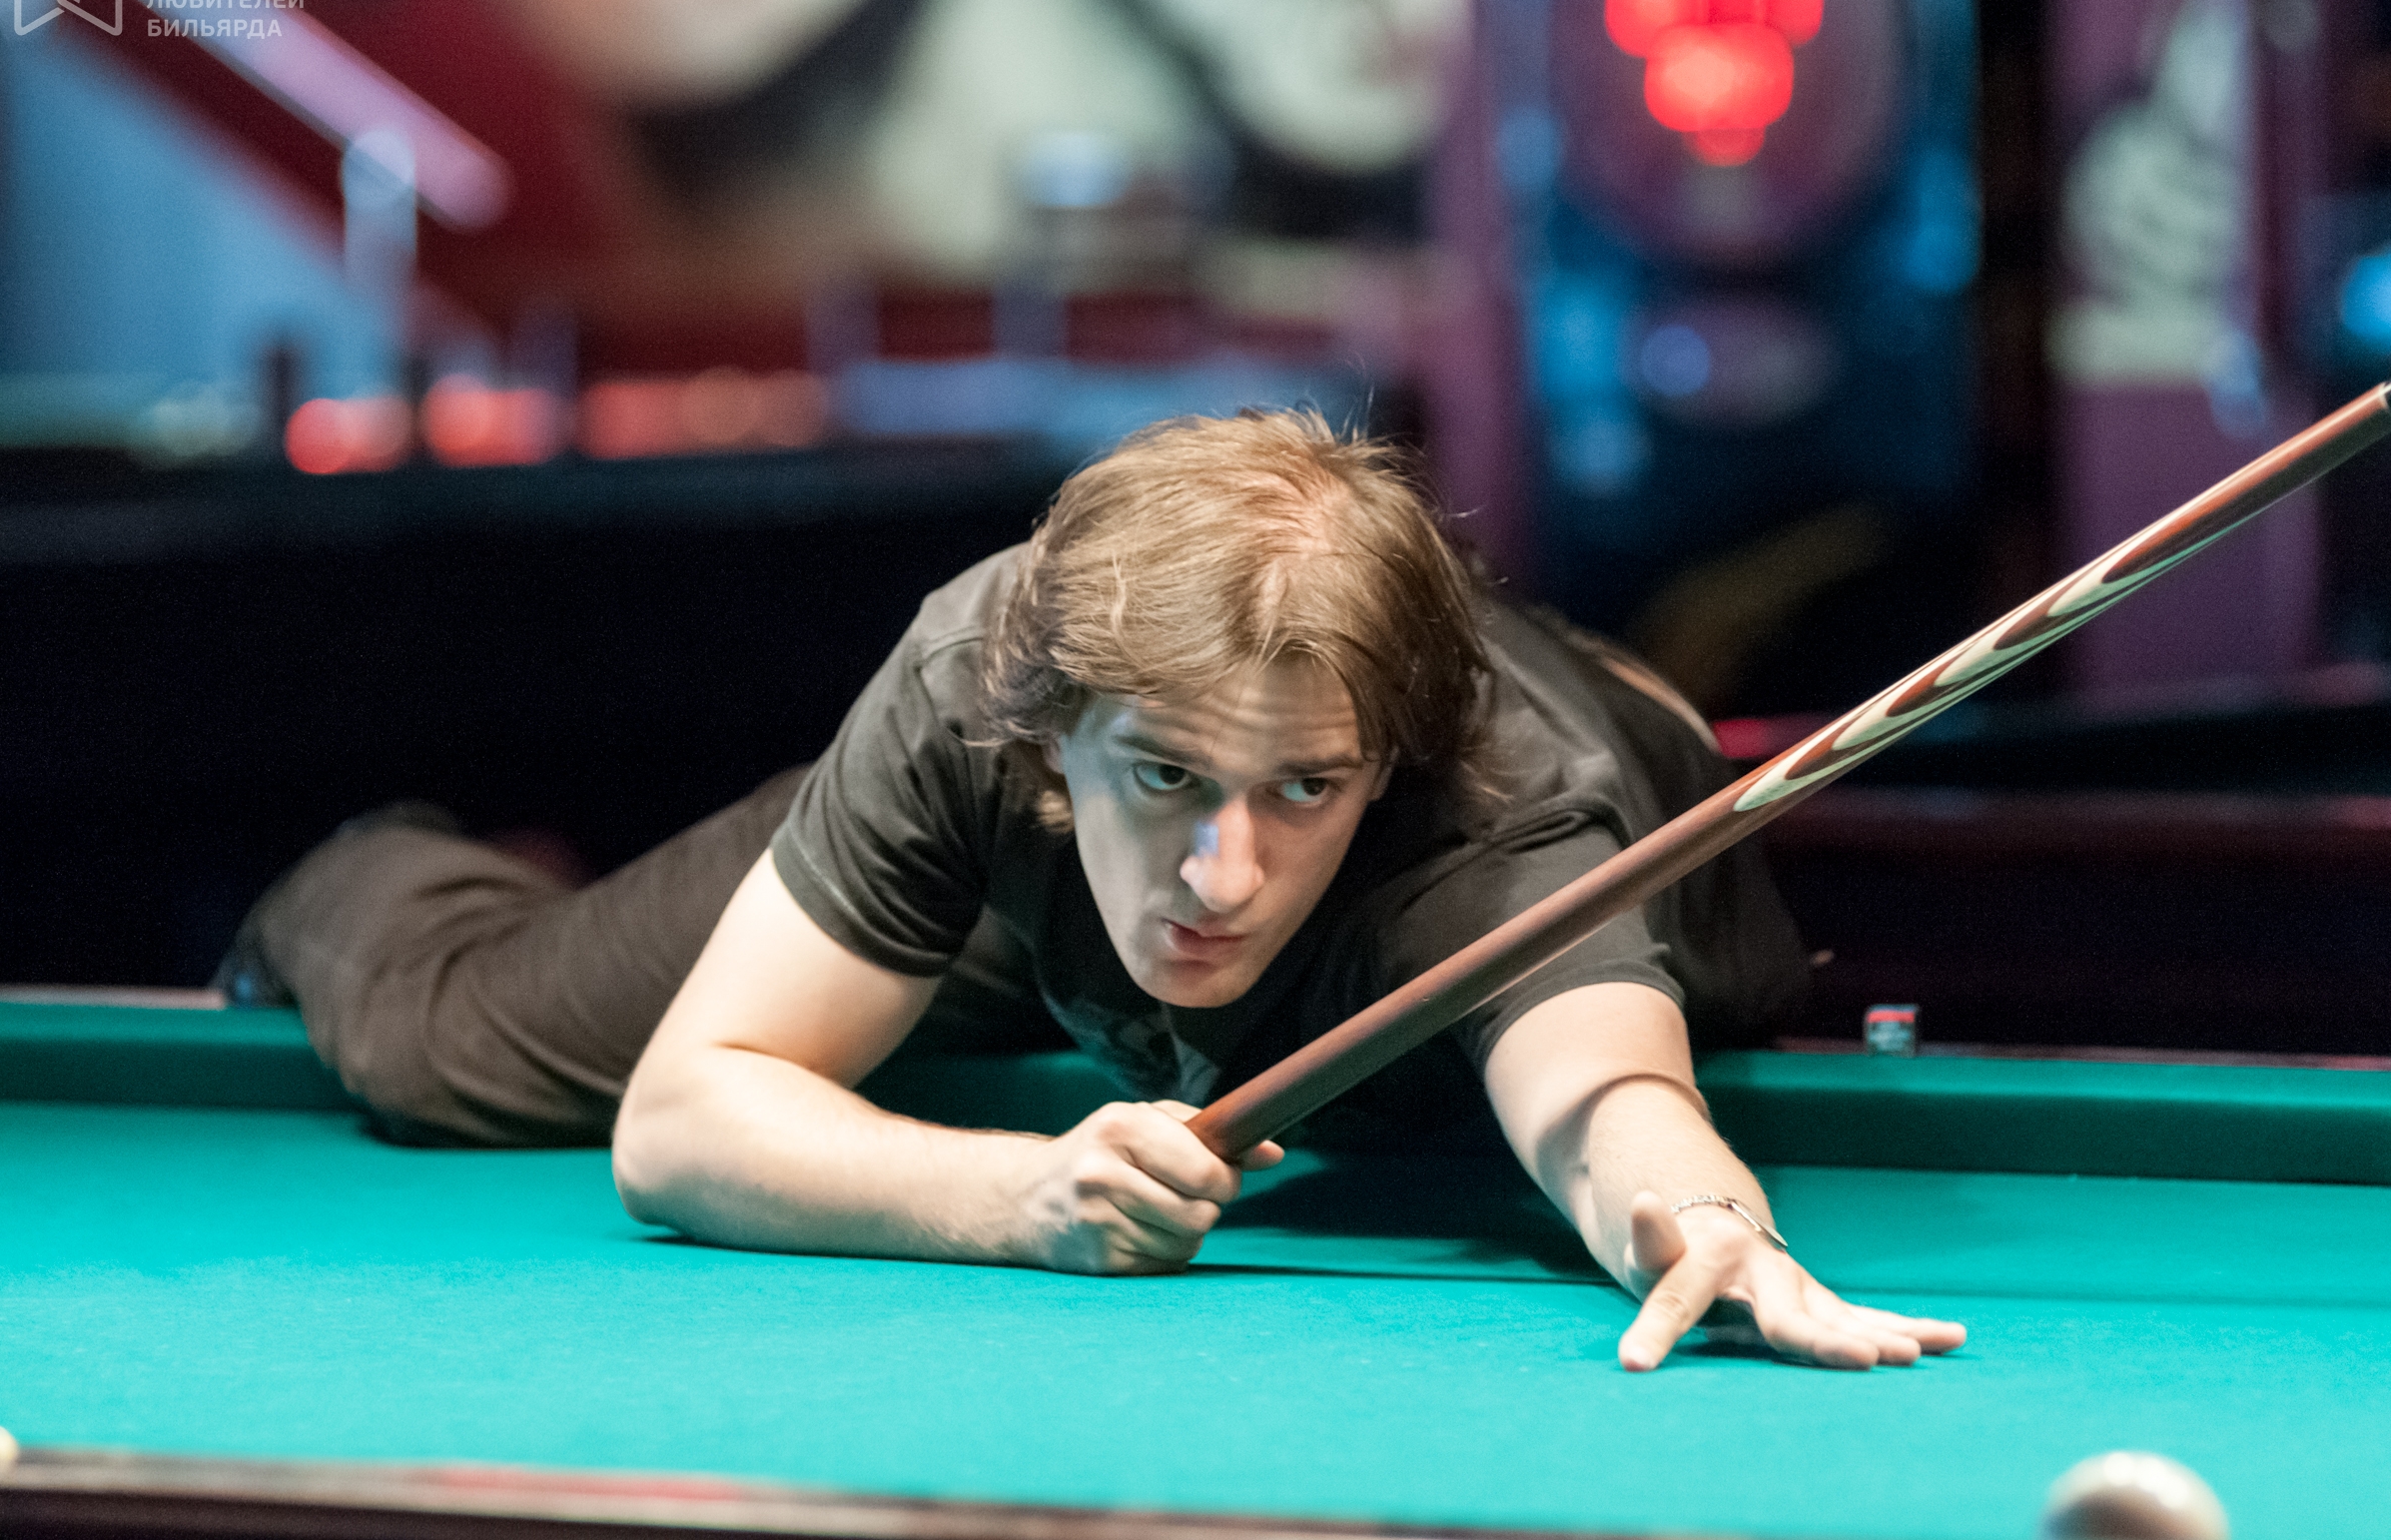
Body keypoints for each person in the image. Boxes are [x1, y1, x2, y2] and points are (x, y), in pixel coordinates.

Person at [221, 409, 1965, 1373]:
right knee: (444, 1040)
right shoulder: (981, 681)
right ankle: (363, 857)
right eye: (1169, 777)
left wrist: (1697, 1212)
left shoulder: (1492, 812)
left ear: (1380, 763)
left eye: (1301, 787)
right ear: (1053, 738)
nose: (1225, 870)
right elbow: (679, 1125)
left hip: (1535, 815)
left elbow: (1607, 1106)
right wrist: (1016, 1193)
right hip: (1036, 899)